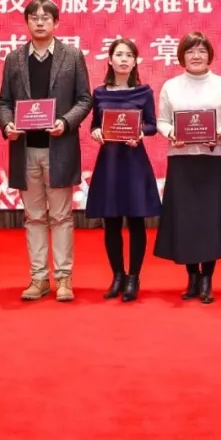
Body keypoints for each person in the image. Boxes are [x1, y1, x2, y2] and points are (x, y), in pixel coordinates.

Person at [0, 0, 92, 302]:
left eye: (46, 17)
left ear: (56, 22)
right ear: (26, 22)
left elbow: (84, 99)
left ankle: (64, 278)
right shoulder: (14, 58)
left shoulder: (72, 56)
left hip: (58, 148)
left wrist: (66, 122)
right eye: (34, 17)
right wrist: (8, 125)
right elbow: (4, 102)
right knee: (34, 217)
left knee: (62, 216)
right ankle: (38, 278)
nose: (40, 22)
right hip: (26, 149)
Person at [154, 32, 221, 304]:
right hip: (181, 161)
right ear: (182, 56)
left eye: (202, 51)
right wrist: (171, 134)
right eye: (191, 51)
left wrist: (220, 135)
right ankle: (192, 276)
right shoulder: (171, 86)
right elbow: (162, 121)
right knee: (186, 221)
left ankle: (207, 279)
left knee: (210, 221)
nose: (196, 56)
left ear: (209, 55)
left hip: (212, 161)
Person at [85, 38, 161, 302]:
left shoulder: (144, 91)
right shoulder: (99, 93)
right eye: (119, 54)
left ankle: (133, 277)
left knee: (136, 221)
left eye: (129, 55)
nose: (124, 59)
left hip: (134, 161)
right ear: (110, 60)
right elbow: (94, 124)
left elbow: (152, 125)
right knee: (111, 222)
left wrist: (140, 132)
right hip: (109, 163)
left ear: (135, 61)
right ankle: (117, 275)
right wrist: (96, 132)